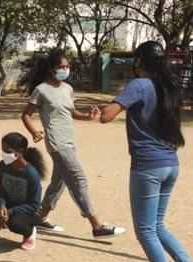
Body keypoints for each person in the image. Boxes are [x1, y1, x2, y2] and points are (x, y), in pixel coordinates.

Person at [99, 41, 193, 262]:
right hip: (170, 164)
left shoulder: (138, 85)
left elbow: (106, 116)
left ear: (139, 60)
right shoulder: (167, 87)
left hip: (147, 167)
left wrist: (119, 97)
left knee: (145, 231)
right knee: (158, 226)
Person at [20, 49, 126, 238]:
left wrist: (87, 116)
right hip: (57, 142)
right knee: (78, 179)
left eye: (67, 67)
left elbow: (71, 112)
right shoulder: (42, 90)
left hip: (69, 140)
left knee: (59, 182)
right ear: (51, 69)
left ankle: (40, 218)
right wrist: (34, 130)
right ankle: (97, 226)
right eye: (61, 67)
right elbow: (26, 114)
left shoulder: (68, 89)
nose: (65, 70)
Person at [0, 132, 46, 250]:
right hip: (8, 206)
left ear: (19, 152)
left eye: (7, 151)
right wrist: (2, 206)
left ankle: (29, 232)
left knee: (14, 224)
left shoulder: (31, 174)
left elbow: (34, 205)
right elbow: (2, 190)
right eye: (2, 150)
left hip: (27, 212)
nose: (3, 154)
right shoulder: (3, 165)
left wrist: (9, 212)